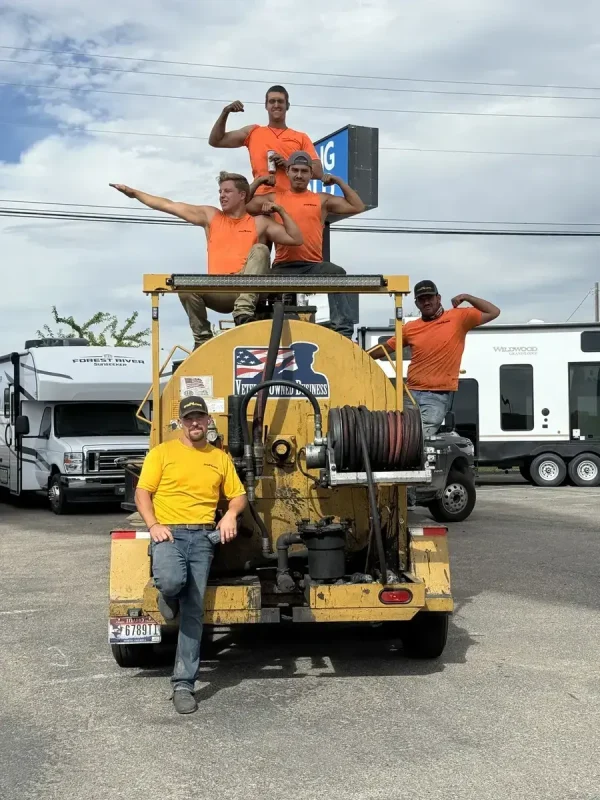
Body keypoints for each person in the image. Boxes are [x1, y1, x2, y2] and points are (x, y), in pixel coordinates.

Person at [135, 396, 248, 715]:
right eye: (189, 418)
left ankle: (183, 684)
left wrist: (229, 516)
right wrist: (153, 524)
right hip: (168, 532)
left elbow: (238, 496)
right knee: (171, 581)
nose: (195, 423)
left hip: (202, 537)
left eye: (200, 417)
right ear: (181, 422)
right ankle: (167, 596)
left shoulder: (219, 457)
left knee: (194, 612)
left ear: (208, 420)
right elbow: (142, 492)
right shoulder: (163, 453)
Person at [110, 173, 303, 347]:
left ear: (243, 195)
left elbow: (296, 239)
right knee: (186, 285)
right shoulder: (211, 216)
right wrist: (134, 193)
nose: (222, 195)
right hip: (220, 289)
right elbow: (169, 205)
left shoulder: (258, 222)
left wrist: (281, 211)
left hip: (248, 289)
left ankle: (243, 313)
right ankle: (202, 339)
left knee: (260, 249)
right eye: (220, 191)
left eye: (227, 191)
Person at [246, 151, 366, 339]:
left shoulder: (321, 199)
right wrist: (260, 181)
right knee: (257, 281)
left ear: (311, 174)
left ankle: (342, 332)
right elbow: (244, 205)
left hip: (312, 266)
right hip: (282, 266)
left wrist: (339, 182)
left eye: (304, 171)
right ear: (287, 171)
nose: (299, 175)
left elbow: (358, 206)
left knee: (337, 273)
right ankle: (252, 330)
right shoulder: (274, 198)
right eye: (295, 170)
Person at [370, 280, 500, 436]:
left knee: (418, 438)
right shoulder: (410, 328)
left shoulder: (459, 317)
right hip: (410, 393)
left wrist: (467, 297)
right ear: (416, 303)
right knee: (400, 437)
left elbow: (494, 312)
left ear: (438, 298)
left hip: (437, 395)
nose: (426, 302)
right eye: (421, 299)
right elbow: (385, 348)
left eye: (429, 298)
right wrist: (358, 354)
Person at [208, 85, 323, 196]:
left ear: (287, 105)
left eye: (280, 101)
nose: (276, 105)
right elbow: (216, 141)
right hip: (260, 201)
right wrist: (225, 112)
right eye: (272, 101)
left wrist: (288, 164)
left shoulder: (301, 137)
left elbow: (318, 172)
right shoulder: (253, 131)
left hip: (291, 201)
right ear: (266, 105)